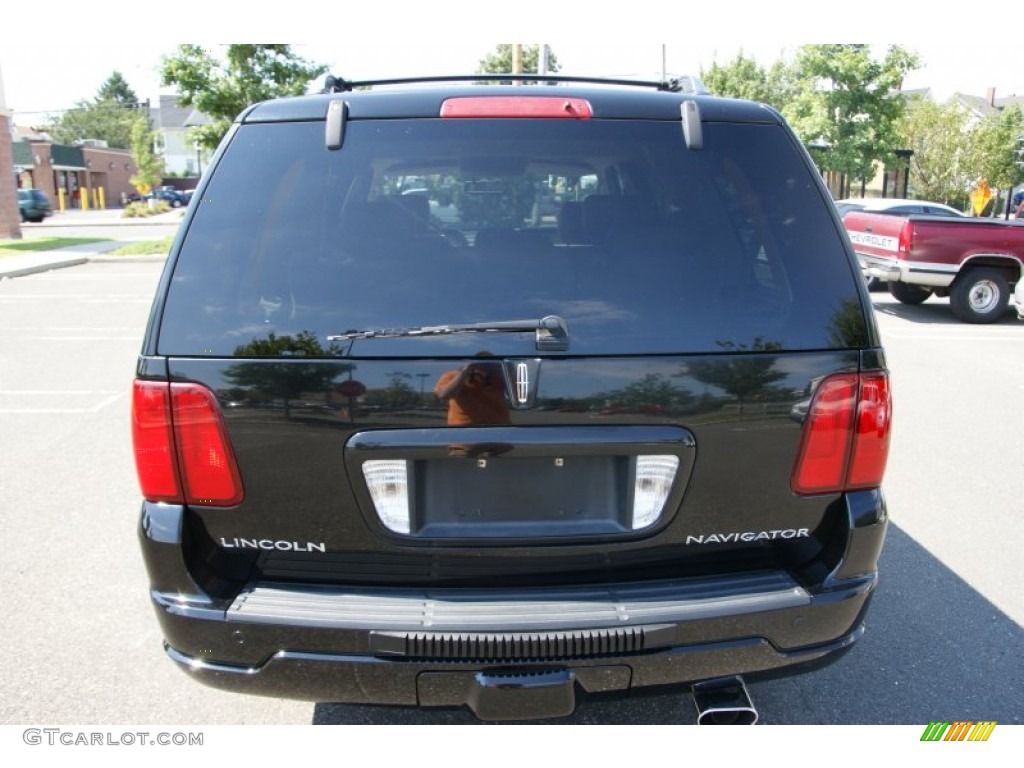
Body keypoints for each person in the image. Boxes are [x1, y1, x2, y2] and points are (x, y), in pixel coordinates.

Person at [434, 353, 510, 426]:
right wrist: (464, 371)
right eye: (479, 361)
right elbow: (444, 394)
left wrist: (507, 372)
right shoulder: (453, 376)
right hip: (462, 428)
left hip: (498, 427)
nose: (484, 365)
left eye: (489, 362)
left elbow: (518, 395)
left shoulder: (501, 376)